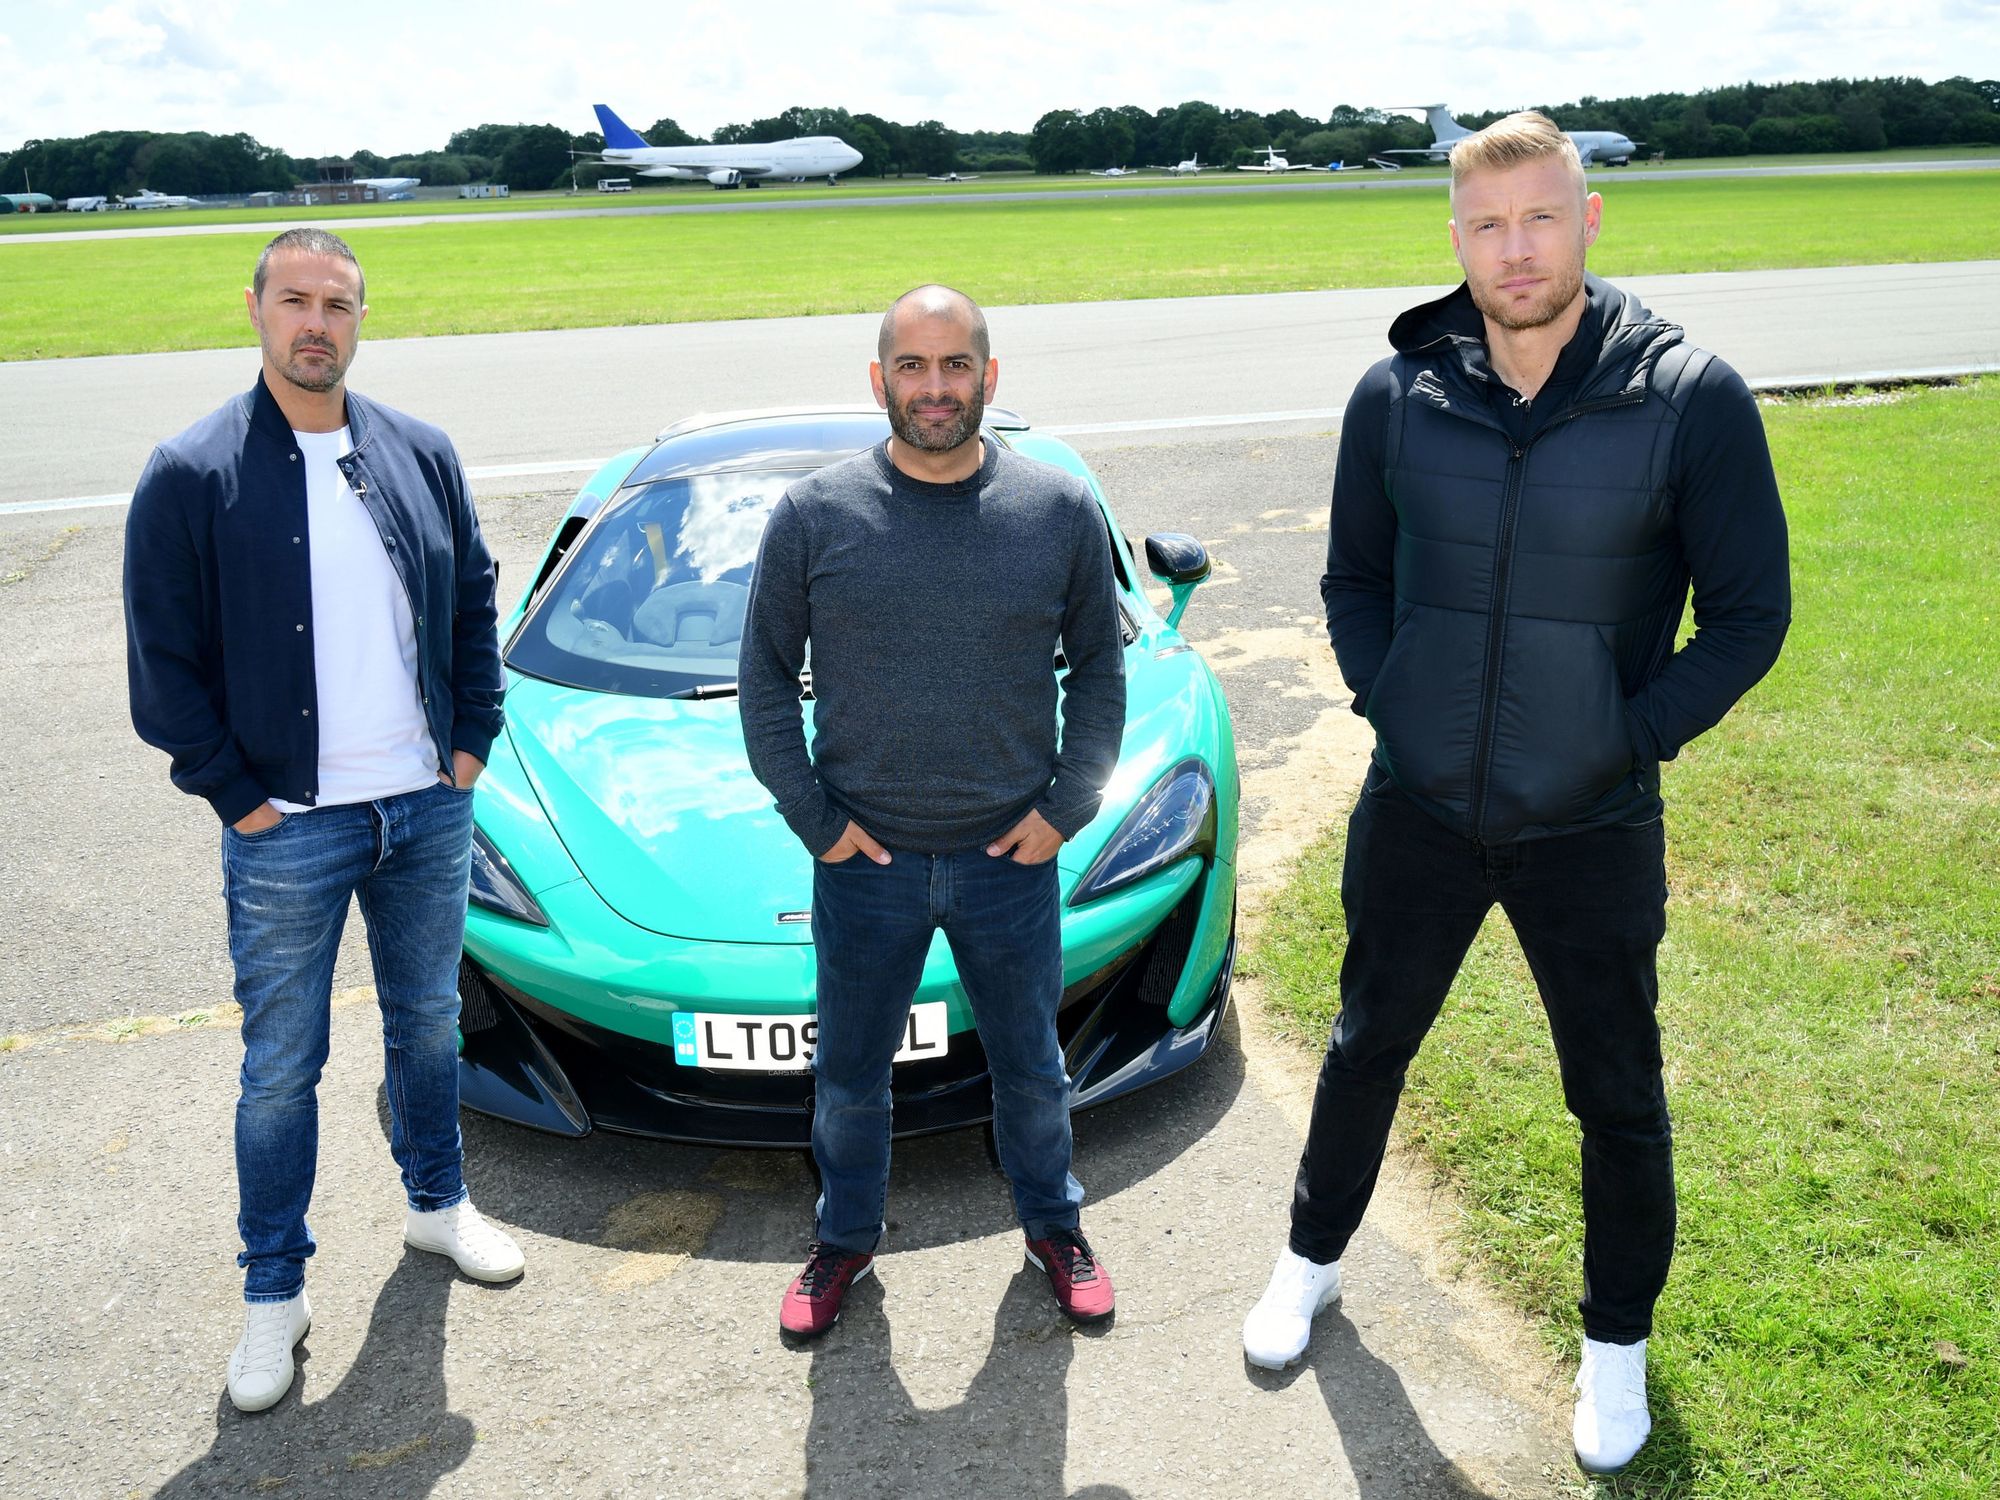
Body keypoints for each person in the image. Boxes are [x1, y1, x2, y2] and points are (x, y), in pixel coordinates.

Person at [1240, 114, 1790, 1476]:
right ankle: (1310, 1261)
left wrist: (1623, 738)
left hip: (1590, 822)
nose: (1515, 248)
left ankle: (1615, 1348)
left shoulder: (1689, 396)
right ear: (1456, 239)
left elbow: (1747, 615)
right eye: (1487, 225)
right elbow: (1355, 583)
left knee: (1615, 1089)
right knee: (1369, 1042)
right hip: (1419, 806)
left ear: (1589, 221)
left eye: (1540, 218)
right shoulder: (1398, 392)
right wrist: (1395, 701)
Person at [124, 227, 525, 1415]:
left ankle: (437, 1206)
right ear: (253, 311)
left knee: (430, 1031)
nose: (316, 323)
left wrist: (470, 742)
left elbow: (471, 599)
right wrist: (237, 797)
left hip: (422, 806)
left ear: (360, 318)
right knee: (280, 1070)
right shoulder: (192, 472)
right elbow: (164, 665)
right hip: (287, 824)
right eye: (294, 300)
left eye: (337, 304)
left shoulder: (419, 450)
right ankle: (271, 1292)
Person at [739, 285, 1127, 1339]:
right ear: (880, 383)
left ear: (988, 378)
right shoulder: (815, 513)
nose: (935, 387)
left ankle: (1055, 1226)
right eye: (912, 367)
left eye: (955, 365)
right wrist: (815, 820)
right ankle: (842, 1241)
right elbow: (764, 680)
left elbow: (1099, 668)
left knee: (1031, 1071)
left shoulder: (1054, 510)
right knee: (852, 1079)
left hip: (1010, 859)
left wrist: (1066, 808)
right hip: (864, 863)